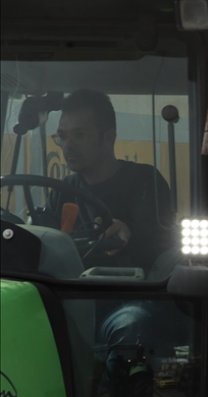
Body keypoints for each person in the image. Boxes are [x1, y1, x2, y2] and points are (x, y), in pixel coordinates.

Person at [47, 89, 175, 271]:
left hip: (130, 293)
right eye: (63, 136)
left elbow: (162, 251)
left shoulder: (146, 182)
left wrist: (129, 235)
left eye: (79, 135)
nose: (67, 146)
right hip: (69, 292)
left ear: (108, 138)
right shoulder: (63, 190)